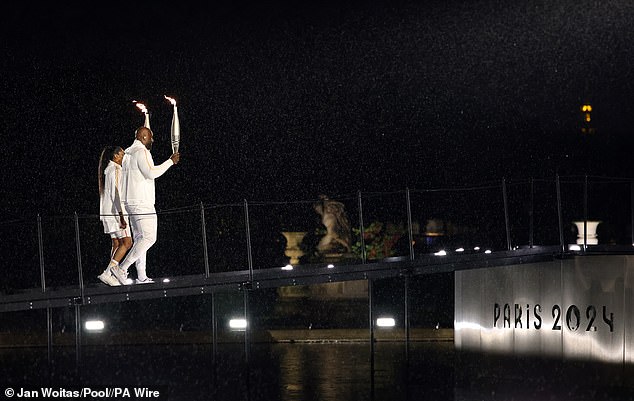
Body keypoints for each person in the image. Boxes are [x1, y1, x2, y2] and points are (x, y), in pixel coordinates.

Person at [111, 126, 180, 285]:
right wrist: (170, 161)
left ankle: (141, 275)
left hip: (130, 202)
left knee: (141, 239)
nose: (152, 140)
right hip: (142, 203)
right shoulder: (141, 152)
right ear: (143, 138)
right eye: (150, 137)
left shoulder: (127, 153)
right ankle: (122, 268)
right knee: (149, 238)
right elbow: (151, 173)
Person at [97, 146, 133, 286]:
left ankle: (112, 274)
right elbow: (116, 194)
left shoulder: (107, 170)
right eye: (122, 154)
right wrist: (121, 216)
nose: (124, 156)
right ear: (116, 156)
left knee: (117, 243)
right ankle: (108, 272)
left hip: (106, 213)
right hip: (115, 213)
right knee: (128, 242)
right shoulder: (116, 170)